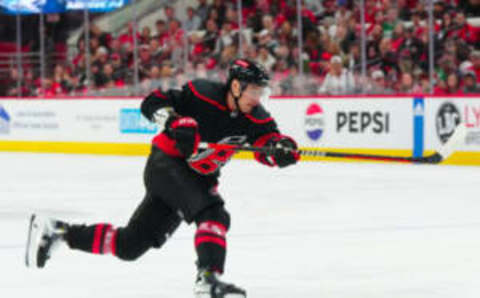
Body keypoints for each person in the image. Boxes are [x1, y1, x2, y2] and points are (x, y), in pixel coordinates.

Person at [25, 58, 300, 298]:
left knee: (129, 245)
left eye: (260, 92)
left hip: (197, 178)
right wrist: (173, 122)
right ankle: (208, 280)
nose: (257, 97)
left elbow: (268, 145)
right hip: (167, 165)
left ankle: (59, 233)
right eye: (253, 90)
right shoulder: (202, 94)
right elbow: (152, 102)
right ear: (236, 86)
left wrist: (282, 150)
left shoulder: (257, 118)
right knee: (213, 214)